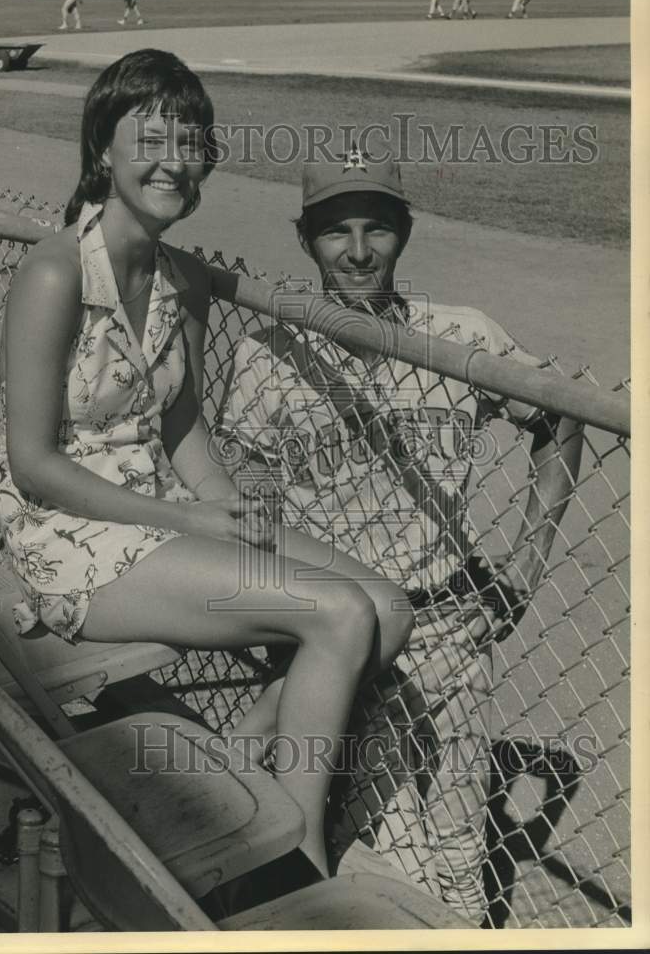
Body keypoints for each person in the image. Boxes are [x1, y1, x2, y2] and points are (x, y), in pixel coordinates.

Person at [0, 51, 413, 879]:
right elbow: (33, 464)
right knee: (336, 616)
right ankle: (296, 856)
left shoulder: (183, 280)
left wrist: (236, 512)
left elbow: (183, 434)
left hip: (157, 507)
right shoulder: (53, 274)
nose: (173, 161)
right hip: (70, 530)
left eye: (189, 142)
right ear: (101, 151)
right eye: (149, 139)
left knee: (386, 609)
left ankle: (226, 787)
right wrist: (193, 517)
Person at [218, 138, 583, 921]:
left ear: (405, 232)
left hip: (448, 627)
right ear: (303, 238)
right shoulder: (267, 348)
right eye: (334, 231)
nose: (357, 252)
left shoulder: (462, 336)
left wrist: (524, 560)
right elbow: (237, 481)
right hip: (329, 636)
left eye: (376, 228)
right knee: (343, 845)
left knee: (454, 846)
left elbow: (560, 419)